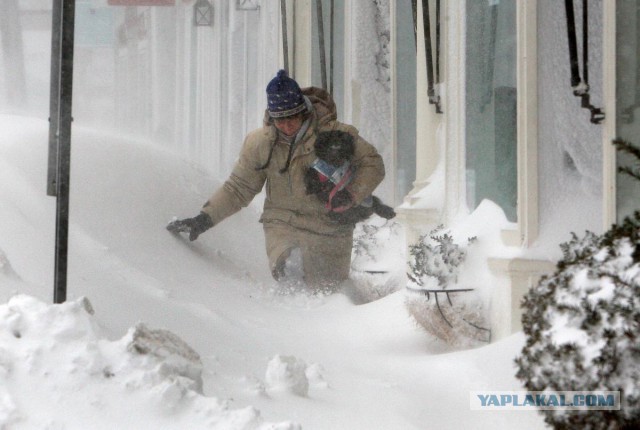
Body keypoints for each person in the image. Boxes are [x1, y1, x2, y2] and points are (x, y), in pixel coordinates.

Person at [168, 69, 386, 290]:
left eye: (292, 117)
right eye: (280, 119)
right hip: (283, 225)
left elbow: (373, 164)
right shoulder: (260, 144)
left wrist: (351, 194)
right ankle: (288, 293)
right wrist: (204, 219)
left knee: (328, 292)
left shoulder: (337, 135)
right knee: (290, 265)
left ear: (303, 111)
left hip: (330, 228)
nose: (286, 125)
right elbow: (238, 188)